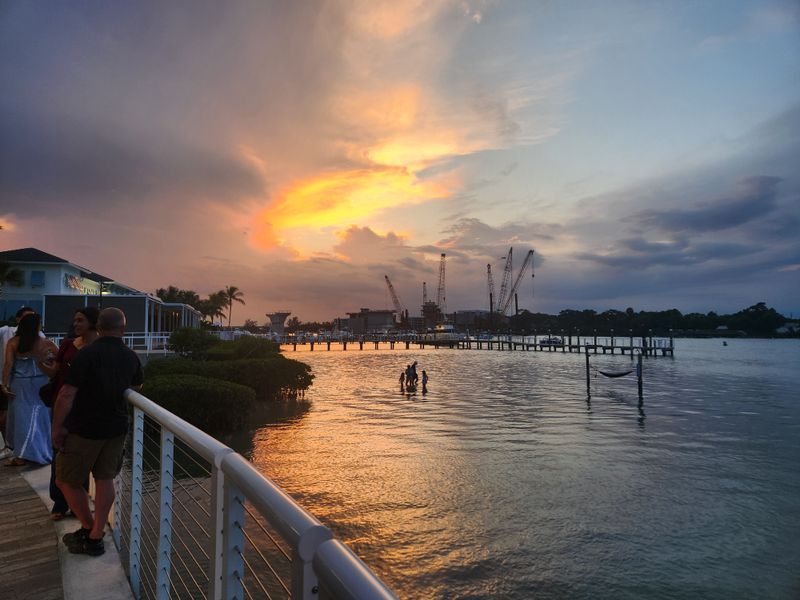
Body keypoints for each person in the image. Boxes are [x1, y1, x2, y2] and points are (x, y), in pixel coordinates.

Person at [53, 308, 143, 557]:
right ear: (123, 330)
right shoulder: (131, 357)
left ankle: (89, 527)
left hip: (84, 429)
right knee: (105, 479)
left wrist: (56, 428)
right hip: (116, 428)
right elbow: (136, 385)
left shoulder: (86, 355)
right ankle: (95, 535)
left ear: (99, 328)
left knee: (65, 480)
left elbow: (67, 394)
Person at [39, 307, 99, 520]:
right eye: (75, 320)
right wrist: (40, 363)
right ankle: (59, 503)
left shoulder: (99, 349)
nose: (75, 324)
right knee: (59, 454)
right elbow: (55, 372)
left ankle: (77, 503)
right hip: (62, 404)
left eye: (80, 320)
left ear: (93, 323)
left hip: (85, 410)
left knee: (80, 457)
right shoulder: (66, 345)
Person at [2, 313, 58, 466]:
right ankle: (43, 451)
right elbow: (59, 360)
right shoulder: (46, 343)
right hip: (41, 383)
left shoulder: (13, 342)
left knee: (22, 419)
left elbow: (8, 365)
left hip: (20, 384)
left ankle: (22, 454)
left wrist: (4, 384)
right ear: (37, 326)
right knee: (42, 418)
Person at [0, 306, 36, 459]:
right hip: (7, 380)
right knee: (7, 415)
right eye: (27, 317)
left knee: (16, 415)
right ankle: (12, 445)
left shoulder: (38, 336)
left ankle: (15, 446)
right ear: (18, 319)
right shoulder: (6, 332)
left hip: (21, 383)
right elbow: (7, 363)